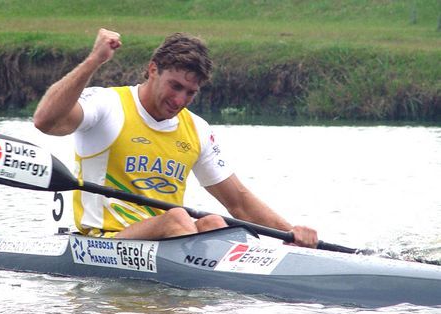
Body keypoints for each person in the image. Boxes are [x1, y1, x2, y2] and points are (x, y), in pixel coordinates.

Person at [33, 28, 318, 247]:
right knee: (179, 218)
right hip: (103, 242)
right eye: (175, 86)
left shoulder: (197, 129)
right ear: (153, 69)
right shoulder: (108, 105)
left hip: (168, 241)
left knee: (215, 224)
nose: (179, 100)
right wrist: (95, 60)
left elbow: (239, 203)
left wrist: (291, 234)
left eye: (190, 93)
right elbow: (45, 121)